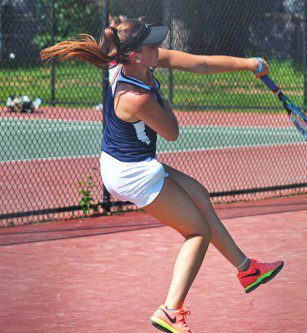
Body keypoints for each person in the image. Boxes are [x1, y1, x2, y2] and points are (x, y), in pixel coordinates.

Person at [40, 18, 284, 333]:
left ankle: (247, 269)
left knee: (199, 196)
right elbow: (172, 132)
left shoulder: (139, 63)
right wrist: (162, 102)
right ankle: (170, 311)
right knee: (197, 233)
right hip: (132, 173)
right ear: (134, 56)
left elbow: (202, 64)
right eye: (151, 44)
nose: (158, 47)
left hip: (130, 161)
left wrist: (250, 64)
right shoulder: (135, 96)